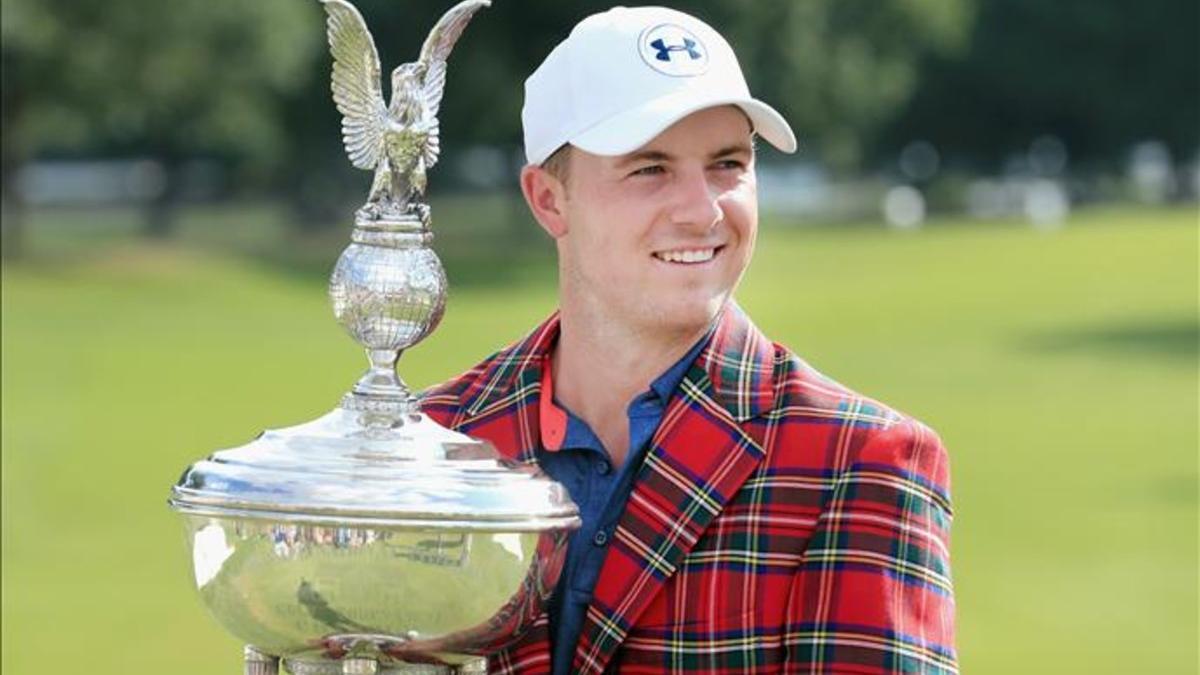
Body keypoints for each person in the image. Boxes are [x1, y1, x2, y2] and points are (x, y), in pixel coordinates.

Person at [422, 6, 956, 674]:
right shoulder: (426, 443)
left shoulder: (862, 461)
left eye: (728, 163)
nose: (703, 209)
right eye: (650, 168)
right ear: (549, 199)